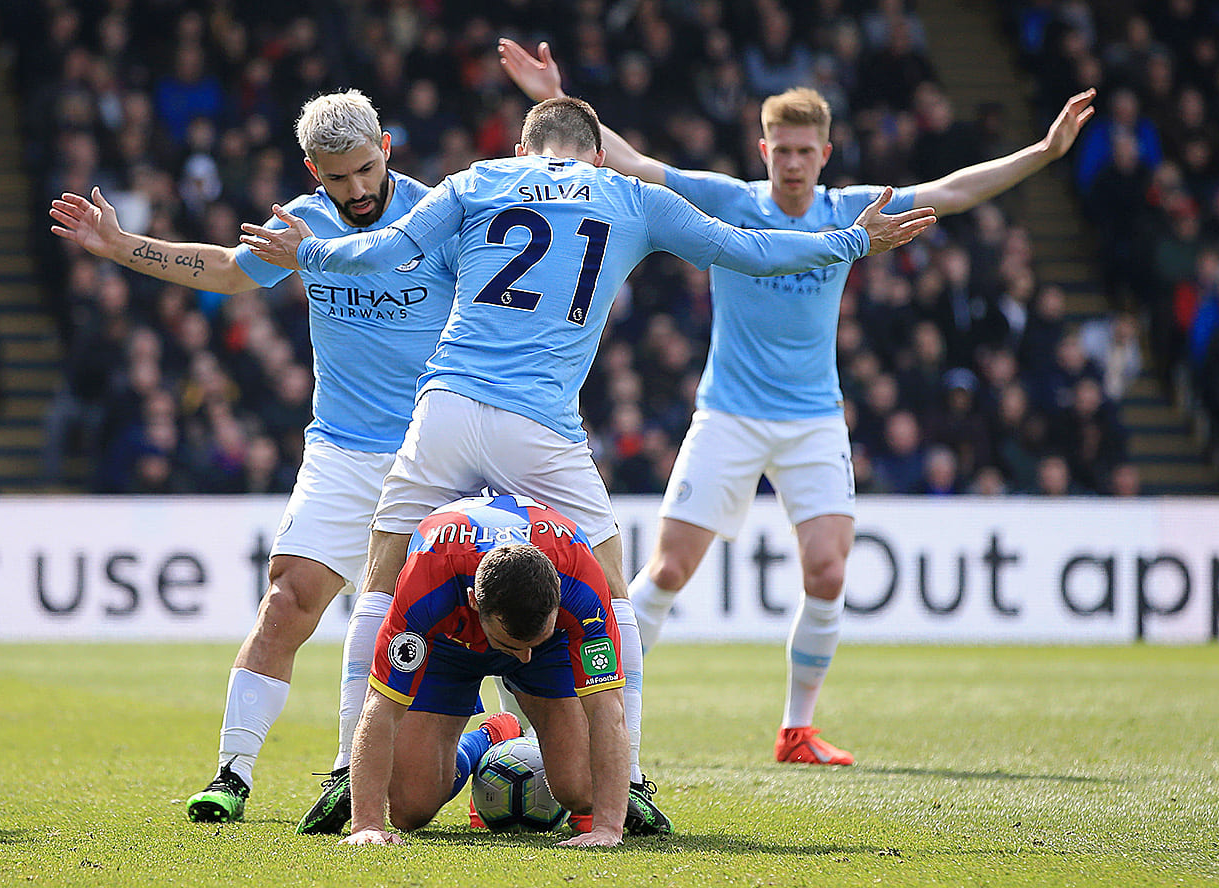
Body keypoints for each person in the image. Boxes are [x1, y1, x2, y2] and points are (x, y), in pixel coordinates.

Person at [241, 95, 934, 831]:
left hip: (444, 407)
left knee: (381, 585)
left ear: (524, 146)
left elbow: (390, 245)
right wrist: (850, 244)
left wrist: (309, 254)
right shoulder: (630, 196)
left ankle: (352, 780)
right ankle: (627, 782)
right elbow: (746, 248)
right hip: (539, 427)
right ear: (597, 154)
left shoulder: (481, 180)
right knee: (612, 588)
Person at [498, 39, 1095, 765]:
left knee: (829, 572)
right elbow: (627, 160)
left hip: (813, 419)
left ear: (826, 153)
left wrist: (1043, 150)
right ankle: (613, 706)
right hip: (728, 413)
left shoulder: (851, 209)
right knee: (666, 571)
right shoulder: (728, 198)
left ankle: (796, 729)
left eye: (804, 151)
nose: (791, 162)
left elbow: (953, 192)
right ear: (764, 147)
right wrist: (555, 99)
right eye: (781, 149)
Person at [49, 89, 458, 827]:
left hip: (432, 453)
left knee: (391, 612)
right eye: (339, 178)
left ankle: (348, 773)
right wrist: (120, 247)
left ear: (388, 147)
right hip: (340, 448)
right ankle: (231, 776)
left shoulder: (439, 217)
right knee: (286, 601)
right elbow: (226, 269)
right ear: (313, 170)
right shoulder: (301, 223)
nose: (357, 190)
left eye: (366, 170)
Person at [341, 492, 632, 848]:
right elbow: (381, 707)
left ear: (558, 594)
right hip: (448, 640)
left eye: (530, 644)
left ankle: (536, 645)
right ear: (474, 600)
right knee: (408, 809)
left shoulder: (579, 578)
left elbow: (608, 710)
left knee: (580, 787)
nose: (523, 658)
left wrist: (607, 829)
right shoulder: (426, 579)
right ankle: (489, 738)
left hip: (551, 650)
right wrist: (365, 825)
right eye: (513, 646)